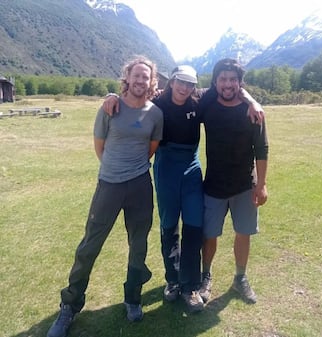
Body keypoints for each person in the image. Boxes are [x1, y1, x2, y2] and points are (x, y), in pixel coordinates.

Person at [102, 65, 264, 312]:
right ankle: (172, 281)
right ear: (172, 81)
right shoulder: (157, 99)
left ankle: (189, 286)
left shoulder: (199, 99)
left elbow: (231, 87)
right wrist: (111, 96)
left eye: (189, 84)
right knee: (168, 225)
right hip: (166, 166)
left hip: (191, 167)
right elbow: (131, 96)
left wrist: (252, 101)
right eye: (180, 82)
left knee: (194, 225)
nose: (184, 88)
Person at [47, 56, 164, 337]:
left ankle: (133, 298)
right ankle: (70, 306)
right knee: (89, 246)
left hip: (139, 186)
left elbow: (151, 148)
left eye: (145, 77)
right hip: (109, 185)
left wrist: (132, 170)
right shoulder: (110, 107)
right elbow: (99, 147)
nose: (140, 81)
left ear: (151, 82)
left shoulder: (155, 114)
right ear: (127, 77)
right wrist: (115, 169)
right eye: (136, 75)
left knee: (138, 245)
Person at [199, 58, 268, 305]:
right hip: (214, 185)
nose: (227, 84)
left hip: (244, 186)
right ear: (215, 82)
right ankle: (205, 277)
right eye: (223, 79)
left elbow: (262, 149)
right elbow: (174, 95)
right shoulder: (206, 105)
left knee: (244, 233)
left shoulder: (254, 112)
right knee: (209, 235)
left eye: (232, 80)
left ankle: (240, 279)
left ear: (239, 83)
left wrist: (261, 184)